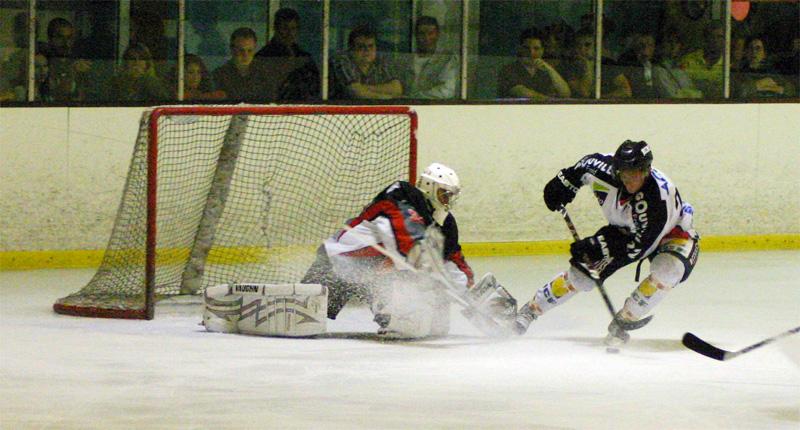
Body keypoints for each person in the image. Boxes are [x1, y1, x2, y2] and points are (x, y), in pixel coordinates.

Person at [514, 140, 699, 348]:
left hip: (673, 232)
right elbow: (579, 168)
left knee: (669, 270)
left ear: (646, 170)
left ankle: (623, 321)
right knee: (581, 277)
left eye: (637, 173)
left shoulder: (656, 200)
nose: (631, 180)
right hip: (624, 230)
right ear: (616, 169)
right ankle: (530, 310)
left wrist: (596, 245)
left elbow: (639, 246)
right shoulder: (600, 168)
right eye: (625, 173)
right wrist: (563, 184)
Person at [301, 163, 514, 338]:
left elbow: (452, 260)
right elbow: (407, 244)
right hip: (338, 266)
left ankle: (390, 311)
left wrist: (470, 293)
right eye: (444, 194)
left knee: (433, 327)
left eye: (450, 196)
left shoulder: (445, 223)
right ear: (429, 187)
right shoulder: (401, 195)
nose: (447, 202)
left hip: (373, 274)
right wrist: (433, 276)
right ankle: (389, 307)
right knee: (302, 319)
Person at [255, 7, 320, 101]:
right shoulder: (263, 57)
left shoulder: (304, 58)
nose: (290, 33)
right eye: (285, 28)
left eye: (293, 28)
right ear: (275, 28)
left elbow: (314, 88)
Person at [330, 24, 403, 100]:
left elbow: (397, 89)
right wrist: (387, 97)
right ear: (351, 49)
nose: (367, 50)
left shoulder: (381, 61)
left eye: (371, 46)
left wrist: (363, 88)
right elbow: (356, 93)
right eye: (361, 46)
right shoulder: (342, 60)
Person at [497, 27, 570, 100]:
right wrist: (548, 100)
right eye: (526, 48)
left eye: (536, 48)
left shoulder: (546, 71)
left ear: (542, 50)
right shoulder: (509, 70)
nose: (531, 53)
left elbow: (565, 94)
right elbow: (521, 92)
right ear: (520, 49)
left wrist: (549, 69)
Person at [558, 29, 631, 99]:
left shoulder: (607, 63)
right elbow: (585, 94)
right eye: (578, 45)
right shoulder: (570, 67)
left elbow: (626, 91)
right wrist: (587, 67)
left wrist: (601, 99)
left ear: (596, 47)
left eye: (587, 45)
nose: (582, 49)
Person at [401, 16, 458, 99]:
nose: (426, 38)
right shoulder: (406, 59)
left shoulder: (447, 59)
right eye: (422, 33)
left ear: (438, 35)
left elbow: (447, 90)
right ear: (415, 35)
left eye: (430, 33)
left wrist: (414, 98)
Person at [212, 27, 269, 101]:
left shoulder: (265, 74)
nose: (245, 55)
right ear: (232, 49)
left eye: (250, 50)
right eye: (241, 50)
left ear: (255, 49)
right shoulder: (219, 76)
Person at [679, 22, 725, 98]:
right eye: (711, 36)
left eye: (719, 37)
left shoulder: (728, 65)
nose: (715, 40)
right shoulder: (688, 60)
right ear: (705, 38)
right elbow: (682, 90)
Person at [653, 32, 703, 99]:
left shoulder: (680, 68)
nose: (673, 46)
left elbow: (694, 90)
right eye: (669, 42)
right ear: (661, 46)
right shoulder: (658, 70)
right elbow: (671, 97)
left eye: (676, 42)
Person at [616, 33, 657, 99]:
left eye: (650, 45)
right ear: (635, 47)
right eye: (642, 45)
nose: (646, 49)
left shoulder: (655, 65)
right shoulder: (626, 63)